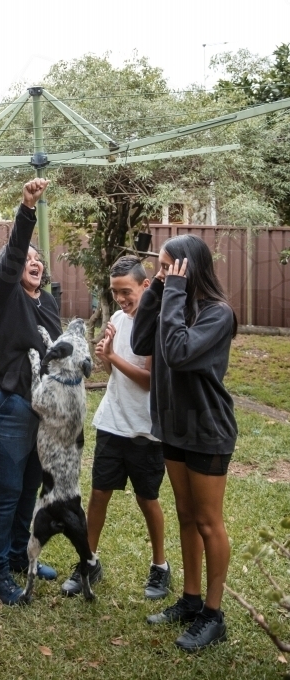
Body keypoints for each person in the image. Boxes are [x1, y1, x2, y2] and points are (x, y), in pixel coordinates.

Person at [131, 234, 237, 651]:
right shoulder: (172, 303)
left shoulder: (217, 313)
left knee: (209, 521)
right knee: (186, 515)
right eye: (158, 266)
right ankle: (191, 600)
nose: (160, 273)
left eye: (166, 266)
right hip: (175, 423)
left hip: (208, 427)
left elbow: (176, 352)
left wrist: (171, 291)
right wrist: (157, 290)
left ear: (188, 269)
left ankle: (214, 614)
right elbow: (142, 342)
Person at [0, 178, 63, 605]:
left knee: (28, 489)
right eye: (27, 258)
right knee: (5, 489)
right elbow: (13, 255)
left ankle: (14, 557)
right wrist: (27, 211)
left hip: (36, 409)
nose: (34, 262)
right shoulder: (3, 293)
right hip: (4, 400)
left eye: (39, 258)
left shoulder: (47, 303)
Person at [62, 256, 170, 601]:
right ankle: (88, 561)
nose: (121, 299)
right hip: (112, 422)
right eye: (115, 292)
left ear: (145, 286)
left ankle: (160, 566)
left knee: (147, 499)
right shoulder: (119, 320)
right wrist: (108, 356)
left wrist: (112, 358)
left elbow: (149, 382)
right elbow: (117, 377)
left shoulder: (156, 325)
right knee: (99, 495)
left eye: (127, 291)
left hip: (145, 429)